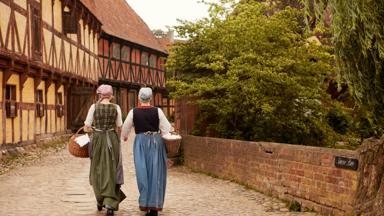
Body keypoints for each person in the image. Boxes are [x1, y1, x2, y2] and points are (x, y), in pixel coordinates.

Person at [121, 87, 172, 216]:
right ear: (151, 98)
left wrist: (125, 136)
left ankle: (145, 202)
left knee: (142, 172)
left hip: (140, 143)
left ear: (139, 98)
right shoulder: (158, 111)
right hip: (156, 142)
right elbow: (166, 128)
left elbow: (125, 127)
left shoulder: (133, 112)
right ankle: (154, 205)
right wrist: (166, 136)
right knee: (156, 173)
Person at [84, 84, 126, 216]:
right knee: (112, 169)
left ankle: (100, 199)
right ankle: (110, 204)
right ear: (111, 95)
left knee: (97, 169)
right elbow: (119, 126)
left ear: (100, 95)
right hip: (112, 140)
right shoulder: (116, 107)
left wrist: (94, 130)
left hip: (97, 139)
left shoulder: (93, 107)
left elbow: (87, 127)